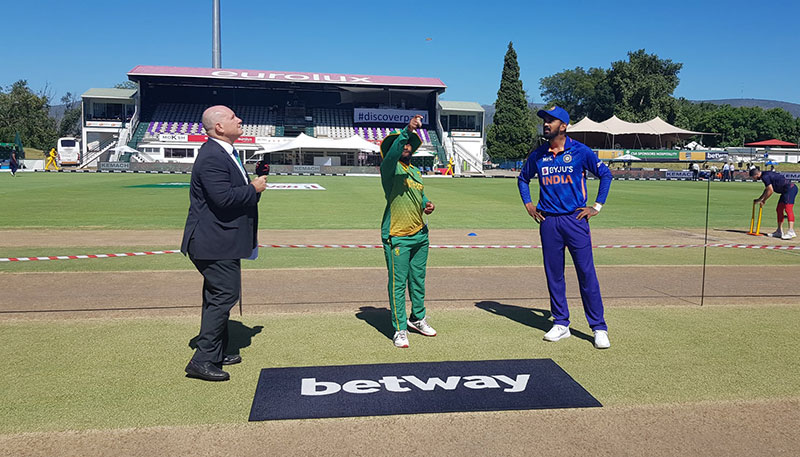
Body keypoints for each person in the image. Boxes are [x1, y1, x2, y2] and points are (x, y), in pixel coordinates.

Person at [180, 105, 268, 381]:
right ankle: (203, 359)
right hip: (213, 241)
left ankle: (216, 351)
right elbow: (224, 199)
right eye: (232, 117)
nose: (239, 119)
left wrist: (253, 188)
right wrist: (253, 188)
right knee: (225, 295)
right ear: (219, 127)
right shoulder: (212, 156)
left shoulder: (225, 153)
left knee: (216, 296)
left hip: (220, 240)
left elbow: (233, 195)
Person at [518, 106, 613, 349]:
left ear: (563, 126)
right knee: (554, 275)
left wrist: (596, 206)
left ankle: (599, 327)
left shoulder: (580, 151)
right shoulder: (539, 154)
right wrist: (528, 204)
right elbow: (523, 179)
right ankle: (561, 323)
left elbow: (606, 175)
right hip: (548, 221)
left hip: (575, 219)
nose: (546, 124)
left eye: (551, 120)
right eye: (545, 120)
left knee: (586, 273)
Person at [379, 114, 436, 348]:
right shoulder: (389, 168)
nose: (406, 146)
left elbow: (418, 195)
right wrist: (407, 131)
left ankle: (417, 318)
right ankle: (400, 329)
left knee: (418, 280)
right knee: (398, 284)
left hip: (420, 235)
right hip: (398, 236)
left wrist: (427, 204)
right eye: (402, 144)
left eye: (409, 144)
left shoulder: (415, 171)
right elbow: (394, 153)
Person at [750, 167, 796, 239]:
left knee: (788, 209)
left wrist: (764, 200)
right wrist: (760, 199)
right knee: (779, 209)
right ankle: (779, 231)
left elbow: (770, 190)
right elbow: (767, 189)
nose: (754, 179)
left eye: (753, 177)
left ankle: (791, 231)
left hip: (790, 189)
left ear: (756, 175)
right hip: (785, 191)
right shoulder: (764, 175)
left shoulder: (765, 177)